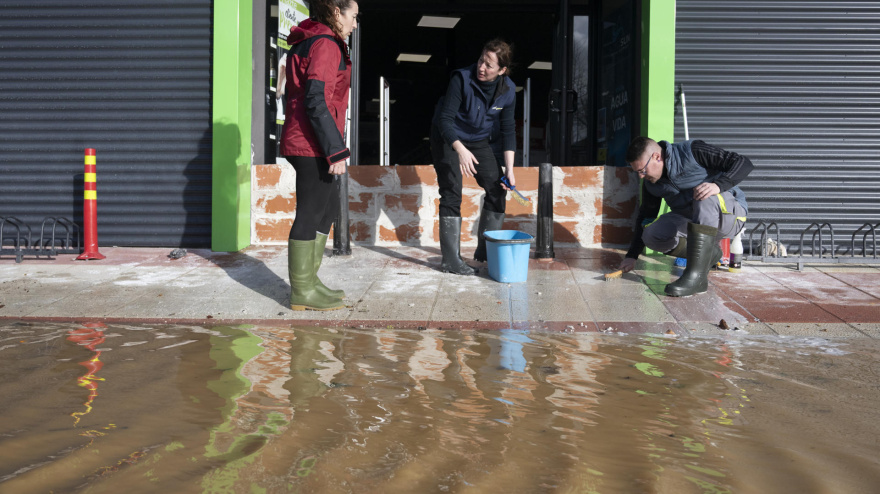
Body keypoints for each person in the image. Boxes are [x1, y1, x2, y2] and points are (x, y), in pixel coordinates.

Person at [279, 0, 358, 311]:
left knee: (325, 212)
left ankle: (310, 281)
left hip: (313, 140)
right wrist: (335, 150)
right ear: (337, 12)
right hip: (311, 143)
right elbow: (316, 98)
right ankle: (301, 292)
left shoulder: (315, 40)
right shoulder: (325, 44)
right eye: (353, 16)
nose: (355, 23)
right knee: (310, 213)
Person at [619, 137, 753, 297]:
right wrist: (631, 256)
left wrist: (717, 185)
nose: (641, 176)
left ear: (656, 156)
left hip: (729, 216)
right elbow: (645, 217)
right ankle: (710, 254)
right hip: (694, 222)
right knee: (651, 234)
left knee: (704, 195)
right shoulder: (651, 185)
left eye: (643, 170)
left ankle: (696, 279)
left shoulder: (693, 152)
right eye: (637, 172)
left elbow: (743, 162)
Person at [430, 39, 517, 275]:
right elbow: (446, 120)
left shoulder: (508, 91)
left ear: (502, 70)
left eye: (489, 65)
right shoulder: (461, 79)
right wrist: (460, 150)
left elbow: (508, 130)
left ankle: (485, 252)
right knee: (451, 191)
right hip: (448, 137)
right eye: (481, 60)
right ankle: (450, 260)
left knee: (498, 188)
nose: (481, 67)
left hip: (478, 140)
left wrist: (509, 169)